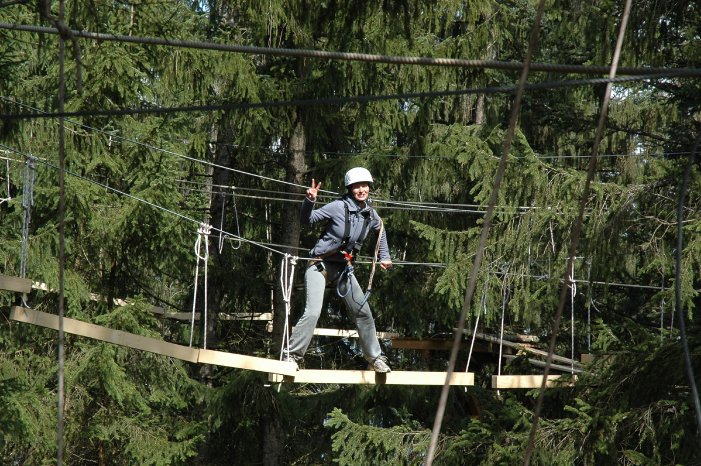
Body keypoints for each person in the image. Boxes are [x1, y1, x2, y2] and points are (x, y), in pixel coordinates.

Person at [284, 167, 393, 372]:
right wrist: (309, 201)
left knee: (363, 312)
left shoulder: (370, 214)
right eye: (356, 186)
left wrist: (384, 257)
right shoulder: (337, 207)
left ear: (369, 187)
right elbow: (307, 220)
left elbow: (381, 232)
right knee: (313, 312)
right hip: (319, 265)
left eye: (364, 186)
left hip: (343, 270)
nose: (361, 190)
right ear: (350, 189)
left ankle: (374, 358)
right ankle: (292, 356)